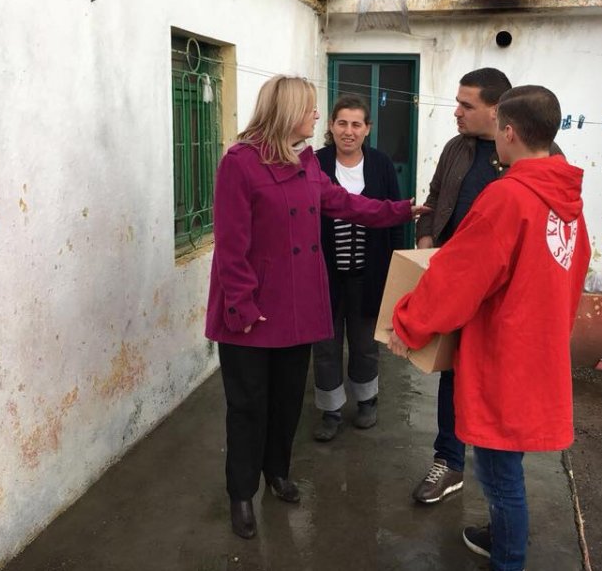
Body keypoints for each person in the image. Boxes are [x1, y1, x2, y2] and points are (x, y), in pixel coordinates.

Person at [205, 75, 426, 540]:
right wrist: (242, 306)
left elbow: (341, 202)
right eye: (310, 110)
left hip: (298, 307)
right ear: (288, 113)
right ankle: (241, 493)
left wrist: (399, 211)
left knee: (286, 402)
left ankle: (277, 474)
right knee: (248, 407)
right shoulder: (240, 163)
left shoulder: (306, 162)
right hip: (251, 314)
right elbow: (230, 244)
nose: (316, 119)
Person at [388, 85, 590, 571]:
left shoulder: (509, 197)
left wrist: (409, 323)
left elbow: (458, 278)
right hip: (538, 348)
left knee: (500, 475)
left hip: (506, 353)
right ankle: (499, 535)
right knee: (507, 463)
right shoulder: (567, 200)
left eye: (499, 126)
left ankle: (509, 560)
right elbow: (576, 267)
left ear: (510, 132)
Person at [410, 67, 513, 504]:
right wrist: (427, 239)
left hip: (500, 294)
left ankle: (501, 485)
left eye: (466, 105)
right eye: (457, 102)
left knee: (494, 382)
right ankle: (448, 463)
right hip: (454, 283)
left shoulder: (526, 152)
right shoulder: (457, 147)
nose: (456, 112)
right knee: (451, 372)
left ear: (496, 110)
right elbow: (435, 197)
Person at [311, 95, 404, 441]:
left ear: (367, 129)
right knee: (326, 345)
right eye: (341, 123)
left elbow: (395, 216)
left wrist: (396, 270)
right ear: (331, 126)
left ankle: (367, 401)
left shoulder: (381, 165)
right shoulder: (315, 164)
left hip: (370, 274)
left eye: (356, 124)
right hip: (324, 275)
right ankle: (330, 409)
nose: (348, 131)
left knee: (365, 343)